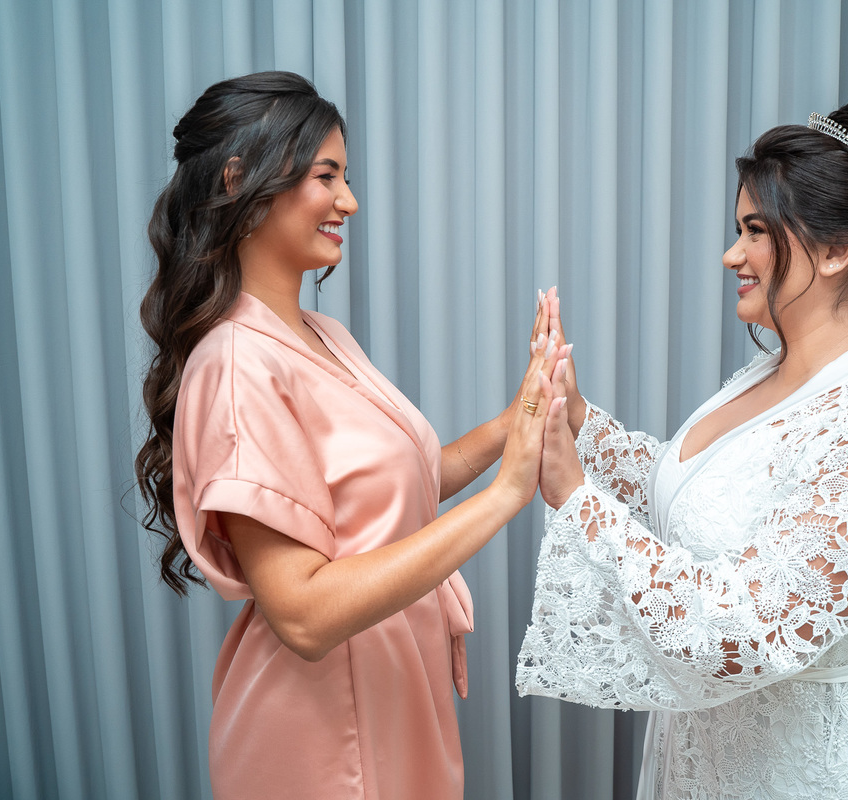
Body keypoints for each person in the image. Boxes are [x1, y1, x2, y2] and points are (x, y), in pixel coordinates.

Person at [134, 71, 562, 799]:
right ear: (241, 180)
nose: (349, 201)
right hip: (322, 732)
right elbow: (301, 614)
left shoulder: (322, 335)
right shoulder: (237, 364)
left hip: (396, 693)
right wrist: (505, 498)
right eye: (326, 175)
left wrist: (521, 415)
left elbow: (397, 488)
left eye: (347, 176)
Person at [517, 98, 848, 799]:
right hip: (708, 759)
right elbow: (696, 503)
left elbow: (746, 630)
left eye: (755, 231)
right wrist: (577, 418)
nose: (731, 255)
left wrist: (575, 496)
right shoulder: (771, 375)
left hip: (810, 770)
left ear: (838, 249)